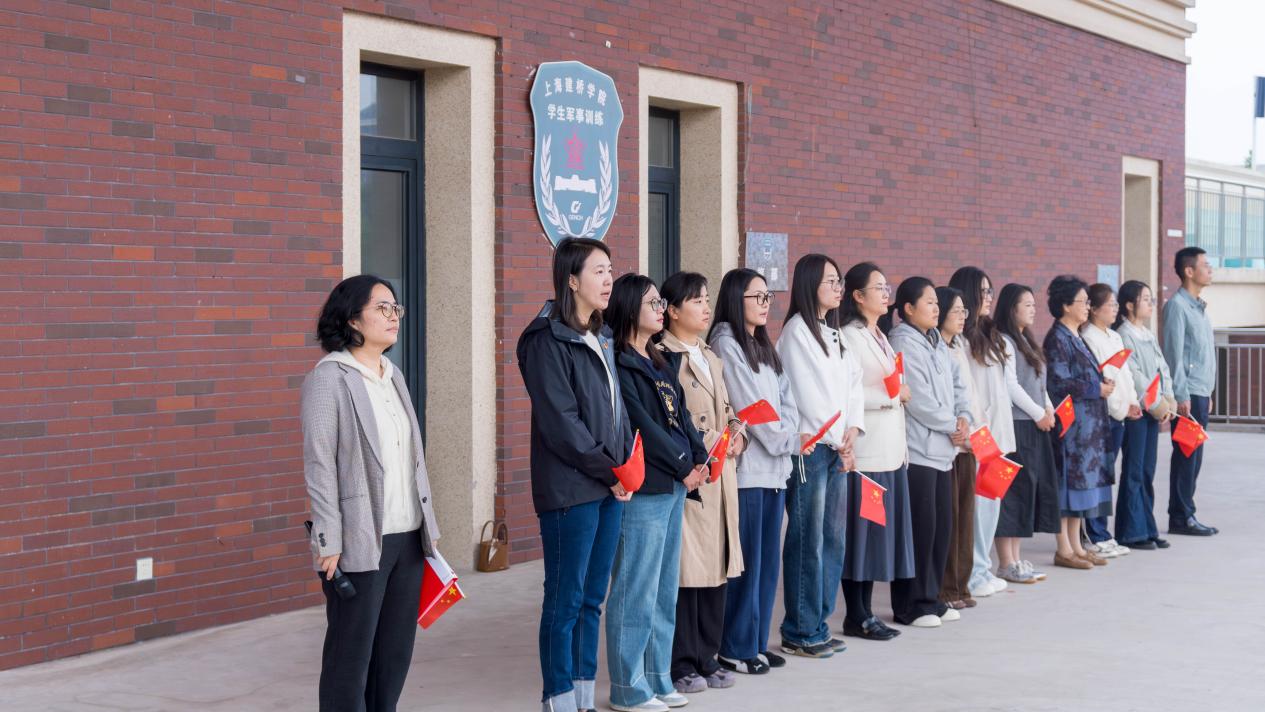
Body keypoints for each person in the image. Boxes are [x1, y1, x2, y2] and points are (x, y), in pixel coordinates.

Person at [301, 274, 441, 712]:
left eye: (395, 307)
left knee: (393, 657)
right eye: (382, 308)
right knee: (351, 657)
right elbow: (320, 463)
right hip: (360, 540)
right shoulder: (329, 379)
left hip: (408, 538)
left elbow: (411, 457)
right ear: (352, 319)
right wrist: (328, 538)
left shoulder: (393, 376)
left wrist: (428, 527)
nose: (393, 315)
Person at [516, 238, 633, 712]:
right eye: (598, 271)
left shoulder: (601, 335)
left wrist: (625, 467)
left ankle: (583, 696)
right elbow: (561, 424)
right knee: (564, 601)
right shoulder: (545, 340)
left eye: (610, 270)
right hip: (571, 490)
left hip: (608, 484)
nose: (608, 280)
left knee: (591, 599)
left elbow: (616, 410)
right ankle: (558, 698)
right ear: (571, 279)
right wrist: (611, 471)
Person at [605, 273, 709, 712]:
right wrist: (685, 465)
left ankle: (657, 677)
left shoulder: (659, 360)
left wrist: (700, 456)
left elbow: (681, 417)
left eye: (661, 303)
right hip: (646, 489)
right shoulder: (620, 361)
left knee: (664, 591)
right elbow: (642, 426)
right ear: (630, 307)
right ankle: (627, 688)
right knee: (636, 590)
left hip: (672, 488)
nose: (661, 310)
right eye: (653, 303)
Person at [710, 269, 802, 675]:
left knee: (766, 565)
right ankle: (735, 647)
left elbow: (787, 399)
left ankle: (756, 643)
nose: (765, 304)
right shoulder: (726, 343)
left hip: (775, 470)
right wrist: (786, 440)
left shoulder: (763, 344)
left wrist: (791, 435)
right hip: (749, 472)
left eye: (768, 297)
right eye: (757, 297)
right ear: (736, 299)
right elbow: (749, 409)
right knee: (745, 565)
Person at [658, 272, 745, 695]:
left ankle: (708, 657)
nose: (706, 307)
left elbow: (727, 409)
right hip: (692, 475)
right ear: (672, 311)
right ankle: (683, 663)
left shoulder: (708, 354)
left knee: (717, 567)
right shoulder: (664, 356)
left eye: (707, 299)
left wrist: (738, 432)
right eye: (696, 300)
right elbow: (672, 419)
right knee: (688, 572)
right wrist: (712, 440)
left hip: (721, 475)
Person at [776, 253, 864, 658]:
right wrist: (835, 438)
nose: (837, 287)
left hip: (836, 448)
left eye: (839, 280)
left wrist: (852, 432)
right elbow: (806, 396)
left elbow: (853, 386)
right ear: (809, 283)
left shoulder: (835, 333)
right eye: (830, 280)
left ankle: (819, 623)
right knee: (807, 539)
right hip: (811, 451)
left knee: (832, 539)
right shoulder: (797, 332)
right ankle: (800, 629)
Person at [836, 262, 914, 641]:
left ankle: (866, 612)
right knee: (862, 537)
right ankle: (857, 614)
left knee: (876, 537)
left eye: (887, 287)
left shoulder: (879, 335)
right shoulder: (849, 336)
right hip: (866, 452)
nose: (886, 294)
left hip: (890, 449)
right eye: (878, 288)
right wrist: (891, 398)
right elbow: (847, 393)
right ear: (857, 295)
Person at [887, 277, 970, 628]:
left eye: (937, 303)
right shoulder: (902, 342)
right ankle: (911, 606)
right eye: (930, 303)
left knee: (940, 531)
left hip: (944, 451)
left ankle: (932, 598)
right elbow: (917, 399)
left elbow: (959, 384)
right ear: (908, 308)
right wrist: (953, 425)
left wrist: (963, 418)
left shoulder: (936, 341)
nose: (936, 309)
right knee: (920, 533)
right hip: (919, 451)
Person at [948, 267, 1015, 599]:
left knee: (992, 505)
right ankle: (973, 573)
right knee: (977, 508)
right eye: (983, 292)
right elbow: (968, 393)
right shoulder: (961, 341)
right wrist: (975, 434)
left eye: (991, 291)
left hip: (997, 435)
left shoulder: (990, 335)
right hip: (979, 436)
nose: (989, 297)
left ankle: (983, 568)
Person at [1043, 275, 1112, 570]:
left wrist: (1101, 382)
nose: (1087, 306)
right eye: (1082, 302)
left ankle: (1077, 546)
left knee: (1082, 487)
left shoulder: (1076, 335)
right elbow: (1058, 382)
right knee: (1068, 487)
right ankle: (1064, 548)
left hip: (1088, 427)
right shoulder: (1057, 338)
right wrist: (1096, 388)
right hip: (1072, 427)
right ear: (1065, 305)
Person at [993, 284, 1060, 584]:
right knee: (1014, 492)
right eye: (1027, 304)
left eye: (1034, 304)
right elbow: (1011, 386)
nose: (1033, 309)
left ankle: (1017, 559)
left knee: (1027, 491)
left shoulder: (1026, 340)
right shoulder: (1004, 341)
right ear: (1012, 308)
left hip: (1035, 423)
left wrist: (1048, 409)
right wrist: (1037, 413)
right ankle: (1006, 562)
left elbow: (1039, 383)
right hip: (1018, 425)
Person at [1079, 283, 1141, 558]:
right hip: (1103, 415)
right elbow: (1103, 379)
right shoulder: (1088, 338)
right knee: (1095, 476)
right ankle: (1092, 534)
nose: (1115, 309)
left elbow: (1124, 374)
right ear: (1093, 309)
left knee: (1106, 477)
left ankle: (1103, 532)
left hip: (1120, 415)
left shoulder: (1114, 336)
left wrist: (1133, 401)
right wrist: (1118, 408)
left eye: (1116, 304)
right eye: (1110, 305)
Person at [1161, 246, 1219, 536]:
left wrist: (1207, 392)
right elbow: (1174, 355)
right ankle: (1181, 517)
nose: (1210, 269)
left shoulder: (1199, 308)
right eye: (1205, 265)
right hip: (1188, 395)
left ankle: (1186, 513)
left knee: (1194, 457)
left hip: (1200, 393)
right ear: (1188, 271)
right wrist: (1181, 395)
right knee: (1186, 456)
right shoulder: (1177, 306)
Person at [1114, 280, 1175, 550]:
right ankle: (1130, 532)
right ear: (1129, 305)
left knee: (1147, 471)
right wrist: (1158, 404)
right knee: (1134, 470)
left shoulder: (1147, 334)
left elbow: (1163, 368)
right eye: (1146, 299)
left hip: (1155, 410)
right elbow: (1135, 376)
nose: (1151, 304)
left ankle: (1148, 527)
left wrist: (1169, 399)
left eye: (1151, 298)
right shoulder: (1124, 335)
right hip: (1139, 412)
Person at [936, 286, 981, 609]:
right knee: (949, 520)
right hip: (948, 443)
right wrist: (956, 428)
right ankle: (947, 589)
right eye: (956, 311)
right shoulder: (936, 348)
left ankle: (961, 586)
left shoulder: (960, 345)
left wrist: (970, 428)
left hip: (968, 440)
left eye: (964, 311)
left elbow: (968, 395)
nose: (963, 317)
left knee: (966, 518)